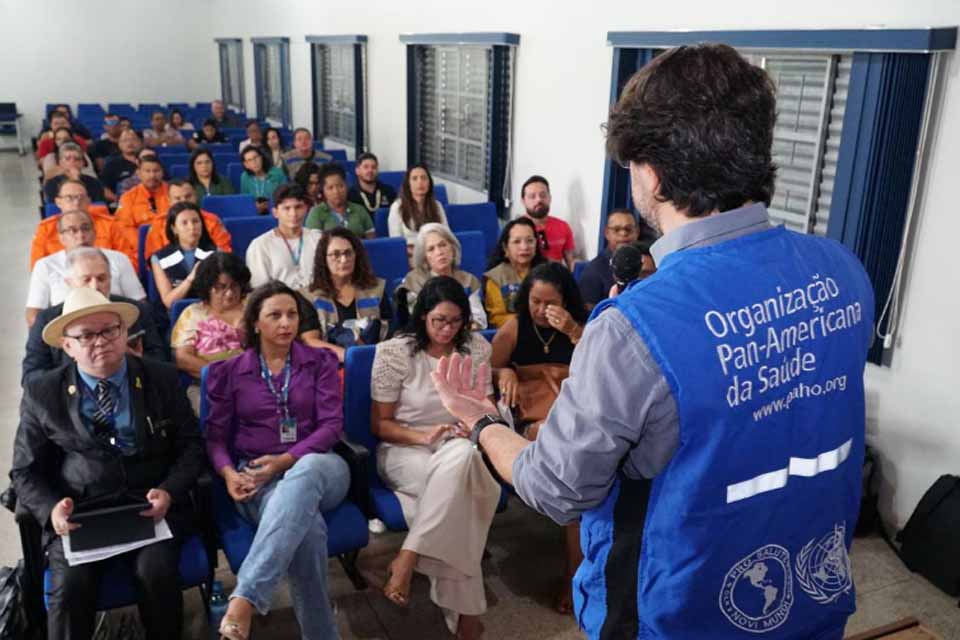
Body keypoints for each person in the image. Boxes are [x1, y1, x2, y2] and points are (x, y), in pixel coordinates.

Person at [429, 44, 876, 640]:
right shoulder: (842, 270)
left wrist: (484, 424)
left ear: (653, 173)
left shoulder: (632, 325)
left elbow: (557, 488)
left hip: (678, 614)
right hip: (810, 593)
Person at [11, 287, 206, 640]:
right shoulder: (43, 393)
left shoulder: (160, 377)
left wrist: (169, 492)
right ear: (67, 346)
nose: (100, 341)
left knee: (157, 572)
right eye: (86, 335)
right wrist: (52, 510)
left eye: (109, 330)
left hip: (148, 507)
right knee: (70, 587)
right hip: (81, 515)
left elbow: (192, 447)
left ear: (125, 333)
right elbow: (25, 471)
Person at [205, 282, 349, 640]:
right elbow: (216, 439)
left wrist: (285, 460)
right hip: (257, 476)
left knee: (308, 468)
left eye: (292, 315)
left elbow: (332, 426)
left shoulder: (320, 362)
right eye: (275, 315)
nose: (286, 323)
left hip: (322, 466)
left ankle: (246, 596)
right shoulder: (230, 372)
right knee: (308, 531)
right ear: (255, 323)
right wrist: (227, 473)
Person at [371, 276, 499, 640]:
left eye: (455, 321)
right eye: (439, 320)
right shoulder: (395, 353)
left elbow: (484, 409)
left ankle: (409, 555)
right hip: (404, 448)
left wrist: (466, 425)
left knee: (458, 465)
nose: (447, 329)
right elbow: (380, 424)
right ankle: (468, 620)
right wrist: (423, 435)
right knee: (461, 506)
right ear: (423, 316)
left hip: (457, 447)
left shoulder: (475, 348)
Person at [490, 262, 587, 612]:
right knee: (573, 467)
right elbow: (488, 368)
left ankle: (584, 571)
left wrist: (575, 330)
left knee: (583, 468)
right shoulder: (516, 327)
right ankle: (575, 575)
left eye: (550, 303)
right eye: (534, 301)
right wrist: (506, 372)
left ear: (566, 301)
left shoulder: (584, 323)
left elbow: (603, 362)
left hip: (577, 415)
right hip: (535, 420)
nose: (541, 310)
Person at [22, 247, 165, 386]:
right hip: (68, 401)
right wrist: (84, 367)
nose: (95, 287)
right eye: (86, 280)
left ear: (110, 278)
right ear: (69, 283)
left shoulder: (137, 311)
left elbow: (161, 361)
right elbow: (31, 377)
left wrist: (133, 361)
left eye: (102, 278)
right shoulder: (46, 319)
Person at [27, 209, 145, 326]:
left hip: (116, 325)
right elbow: (33, 316)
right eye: (72, 230)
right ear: (61, 238)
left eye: (86, 228)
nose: (81, 235)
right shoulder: (45, 265)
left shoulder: (119, 259)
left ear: (94, 232)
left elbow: (139, 303)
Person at [171, 253, 250, 412]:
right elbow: (182, 358)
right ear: (207, 287)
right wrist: (222, 375)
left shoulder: (254, 307)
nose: (229, 293)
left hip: (253, 380)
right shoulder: (192, 314)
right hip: (208, 385)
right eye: (221, 287)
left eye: (234, 286)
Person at [298, 227, 391, 362]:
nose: (343, 259)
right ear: (323, 259)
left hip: (377, 363)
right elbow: (310, 341)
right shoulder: (309, 296)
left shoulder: (377, 289)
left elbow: (391, 333)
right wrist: (352, 357)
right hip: (328, 367)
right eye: (335, 254)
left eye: (348, 253)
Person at [31, 180, 135, 269]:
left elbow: (128, 262)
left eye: (81, 197)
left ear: (89, 201)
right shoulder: (45, 229)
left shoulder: (109, 225)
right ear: (58, 202)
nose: (76, 203)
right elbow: (38, 268)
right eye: (69, 198)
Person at [400, 223, 487, 330]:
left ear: (453, 249)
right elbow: (417, 322)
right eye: (431, 249)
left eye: (442, 245)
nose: (439, 252)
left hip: (465, 337)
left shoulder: (468, 280)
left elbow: (480, 321)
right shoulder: (414, 281)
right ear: (425, 258)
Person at [247, 183, 322, 290]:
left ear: (306, 209)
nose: (293, 214)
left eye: (298, 207)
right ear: (275, 212)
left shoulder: (318, 238)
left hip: (317, 301)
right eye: (287, 208)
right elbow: (260, 289)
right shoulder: (260, 246)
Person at [578, 209, 655, 309]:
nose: (623, 234)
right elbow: (589, 315)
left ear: (637, 232)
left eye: (628, 229)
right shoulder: (593, 271)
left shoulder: (650, 260)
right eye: (616, 229)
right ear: (606, 233)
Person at [143, 179, 233, 260]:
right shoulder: (159, 223)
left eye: (188, 196)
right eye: (177, 198)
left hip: (209, 270)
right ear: (169, 200)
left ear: (196, 196)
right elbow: (154, 258)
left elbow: (224, 253)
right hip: (171, 272)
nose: (183, 201)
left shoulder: (212, 221)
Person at [151, 202, 217, 309]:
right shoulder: (159, 258)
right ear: (174, 229)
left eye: (195, 221)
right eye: (184, 223)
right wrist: (191, 278)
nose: (192, 227)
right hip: (175, 317)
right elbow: (169, 302)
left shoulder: (215, 253)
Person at [483, 217, 546, 329]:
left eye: (530, 241)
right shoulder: (496, 278)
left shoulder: (549, 272)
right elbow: (497, 318)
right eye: (517, 242)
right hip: (513, 334)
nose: (524, 247)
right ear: (505, 248)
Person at [387, 164, 448, 255]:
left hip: (435, 254)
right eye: (415, 178)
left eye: (424, 178)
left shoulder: (437, 205)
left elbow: (446, 235)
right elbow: (396, 242)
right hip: (410, 256)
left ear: (429, 183)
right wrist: (422, 254)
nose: (420, 182)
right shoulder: (397, 207)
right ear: (408, 184)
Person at [520, 175, 576, 270]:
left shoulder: (563, 226)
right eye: (532, 196)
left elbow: (571, 262)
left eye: (543, 195)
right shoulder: (516, 228)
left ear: (549, 198)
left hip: (556, 279)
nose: (539, 200)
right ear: (523, 201)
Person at [305, 163, 375, 238]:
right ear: (323, 190)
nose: (336, 192)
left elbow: (372, 242)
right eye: (330, 188)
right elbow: (316, 245)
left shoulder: (359, 210)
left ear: (347, 185)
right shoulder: (316, 213)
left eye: (340, 186)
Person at [115, 155, 169, 250]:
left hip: (170, 245)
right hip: (140, 248)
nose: (152, 175)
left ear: (162, 172)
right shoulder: (128, 197)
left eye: (156, 171)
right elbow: (124, 227)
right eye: (147, 171)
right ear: (139, 173)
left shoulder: (173, 192)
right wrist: (144, 246)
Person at [239, 146, 287, 215]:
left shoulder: (278, 173)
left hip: (277, 212)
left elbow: (286, 196)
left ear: (261, 158)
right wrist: (254, 206)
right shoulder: (245, 177)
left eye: (255, 157)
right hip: (254, 213)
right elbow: (245, 200)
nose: (254, 162)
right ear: (246, 165)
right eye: (249, 160)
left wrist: (270, 204)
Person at [100, 129, 143, 202]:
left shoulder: (150, 161)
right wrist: (119, 200)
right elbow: (104, 188)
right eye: (125, 140)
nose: (130, 143)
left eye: (133, 139)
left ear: (140, 142)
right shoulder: (112, 164)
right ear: (119, 144)